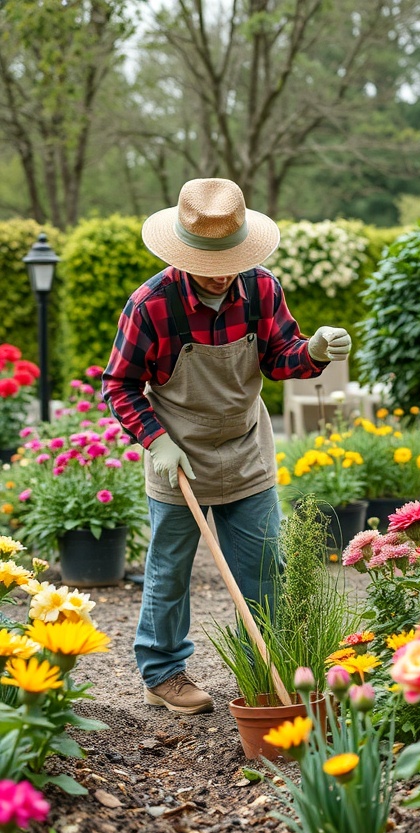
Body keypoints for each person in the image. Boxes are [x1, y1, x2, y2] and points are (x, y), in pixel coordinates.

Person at [102, 177, 352, 714]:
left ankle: (261, 667)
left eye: (229, 259)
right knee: (169, 572)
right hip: (178, 457)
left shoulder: (261, 289)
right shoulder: (151, 305)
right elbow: (118, 385)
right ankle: (163, 672)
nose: (219, 273)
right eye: (206, 260)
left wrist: (314, 350)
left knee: (265, 567)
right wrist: (156, 441)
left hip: (245, 450)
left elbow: (281, 357)